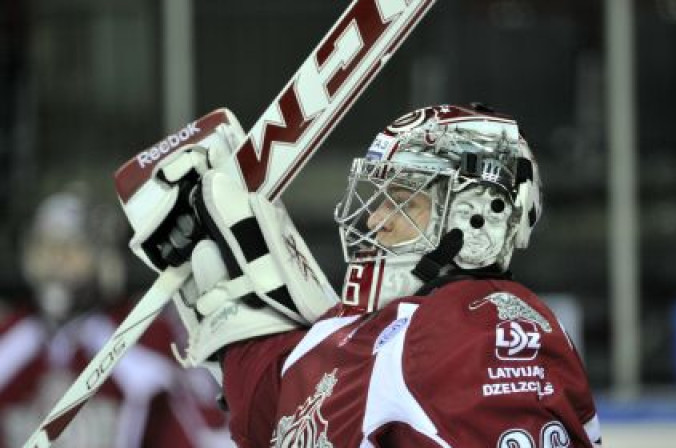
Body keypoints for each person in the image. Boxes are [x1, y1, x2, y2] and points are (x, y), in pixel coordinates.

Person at [133, 104, 603, 447]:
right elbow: (280, 414)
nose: (376, 220)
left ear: (475, 217)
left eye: (404, 198)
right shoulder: (380, 327)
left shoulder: (478, 324)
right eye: (378, 197)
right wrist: (235, 313)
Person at [0, 188, 232, 448]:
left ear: (105, 259)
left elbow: (208, 434)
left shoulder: (148, 334)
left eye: (71, 248)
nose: (55, 261)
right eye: (44, 247)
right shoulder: (9, 334)